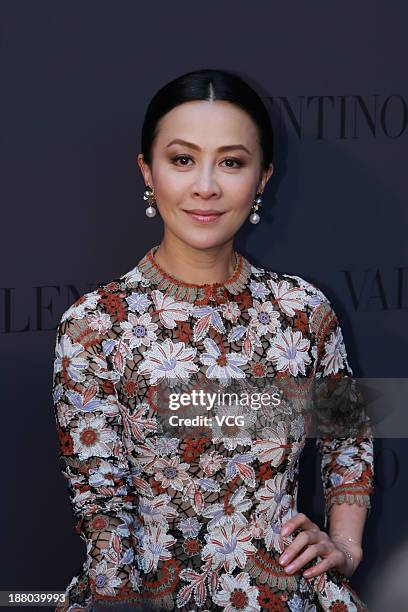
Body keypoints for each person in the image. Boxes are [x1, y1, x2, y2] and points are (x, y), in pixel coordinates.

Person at [52, 68, 374, 611]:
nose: (206, 185)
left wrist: (345, 545)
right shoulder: (96, 326)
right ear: (147, 171)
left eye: (232, 161)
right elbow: (102, 508)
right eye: (182, 160)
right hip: (144, 597)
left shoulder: (302, 313)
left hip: (290, 594)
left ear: (263, 179)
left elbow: (348, 439)